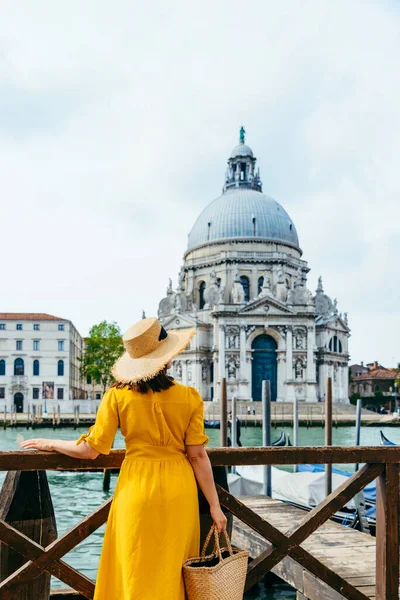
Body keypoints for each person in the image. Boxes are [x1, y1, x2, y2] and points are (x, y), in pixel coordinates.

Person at [21, 317, 227, 600]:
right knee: (172, 568)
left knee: (133, 564)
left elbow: (91, 450)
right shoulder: (190, 397)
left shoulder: (117, 397)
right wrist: (215, 507)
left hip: (136, 487)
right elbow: (197, 455)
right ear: (166, 359)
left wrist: (50, 442)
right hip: (179, 489)